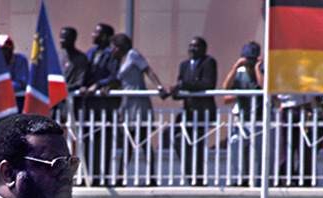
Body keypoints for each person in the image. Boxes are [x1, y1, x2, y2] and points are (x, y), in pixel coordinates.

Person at [90, 33, 163, 186]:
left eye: (112, 48)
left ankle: (151, 177)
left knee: (142, 139)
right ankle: (120, 177)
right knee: (127, 142)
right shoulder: (121, 61)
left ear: (119, 47)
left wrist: (159, 86)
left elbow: (148, 70)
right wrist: (107, 87)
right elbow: (121, 81)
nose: (110, 51)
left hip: (139, 103)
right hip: (128, 104)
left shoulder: (133, 54)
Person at [165, 37, 217, 185]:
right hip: (188, 112)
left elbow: (207, 83)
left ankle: (198, 179)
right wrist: (174, 92)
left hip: (202, 112)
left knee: (198, 145)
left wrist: (182, 85)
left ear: (204, 49)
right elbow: (182, 90)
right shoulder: (184, 65)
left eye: (196, 47)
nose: (192, 49)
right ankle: (190, 176)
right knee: (178, 140)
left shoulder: (208, 63)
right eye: (190, 46)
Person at [79, 23, 120, 186]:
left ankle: (101, 177)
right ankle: (89, 176)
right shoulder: (90, 53)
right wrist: (82, 85)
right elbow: (84, 73)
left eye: (96, 33)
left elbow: (115, 76)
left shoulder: (112, 54)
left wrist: (98, 84)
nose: (93, 35)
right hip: (89, 105)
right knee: (88, 141)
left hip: (105, 106)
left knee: (104, 141)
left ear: (105, 37)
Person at [222, 42, 262, 186]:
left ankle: (260, 181)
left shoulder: (262, 71)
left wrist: (257, 68)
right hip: (243, 119)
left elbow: (265, 88)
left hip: (261, 119)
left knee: (261, 152)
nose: (249, 64)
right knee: (235, 143)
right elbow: (226, 89)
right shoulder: (239, 74)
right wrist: (235, 67)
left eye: (251, 59)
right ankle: (240, 179)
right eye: (247, 59)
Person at [0, 35, 29, 113]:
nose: (2, 53)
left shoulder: (20, 60)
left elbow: (21, 83)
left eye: (5, 49)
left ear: (11, 49)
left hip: (17, 103)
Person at [59, 27, 88, 94]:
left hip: (71, 96)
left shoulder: (81, 58)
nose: (62, 40)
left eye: (65, 38)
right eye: (61, 37)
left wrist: (64, 89)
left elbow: (80, 81)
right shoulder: (57, 55)